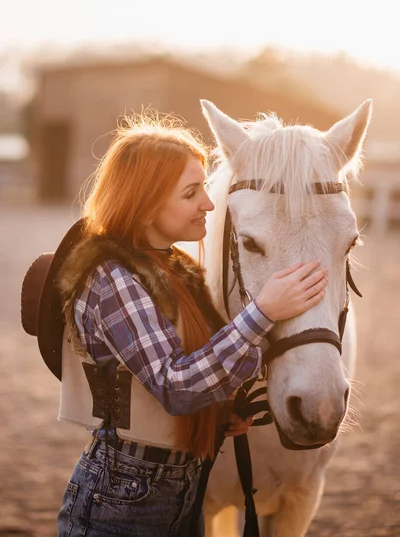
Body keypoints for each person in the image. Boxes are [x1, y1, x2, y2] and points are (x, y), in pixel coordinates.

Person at [22, 113, 328, 537]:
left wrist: (221, 411)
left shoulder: (176, 270)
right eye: (191, 192)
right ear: (146, 203)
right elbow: (174, 383)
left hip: (182, 490)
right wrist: (263, 312)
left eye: (204, 187)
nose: (208, 202)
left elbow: (193, 359)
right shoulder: (111, 279)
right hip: (124, 496)